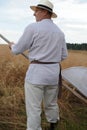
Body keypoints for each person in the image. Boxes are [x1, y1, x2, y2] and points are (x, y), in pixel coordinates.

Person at [9, 0, 68, 130]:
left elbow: (17, 50)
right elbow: (64, 56)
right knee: (51, 103)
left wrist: (11, 45)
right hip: (53, 74)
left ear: (45, 12)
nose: (34, 14)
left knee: (33, 107)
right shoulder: (60, 32)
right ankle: (53, 124)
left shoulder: (33, 27)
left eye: (36, 11)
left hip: (36, 74)